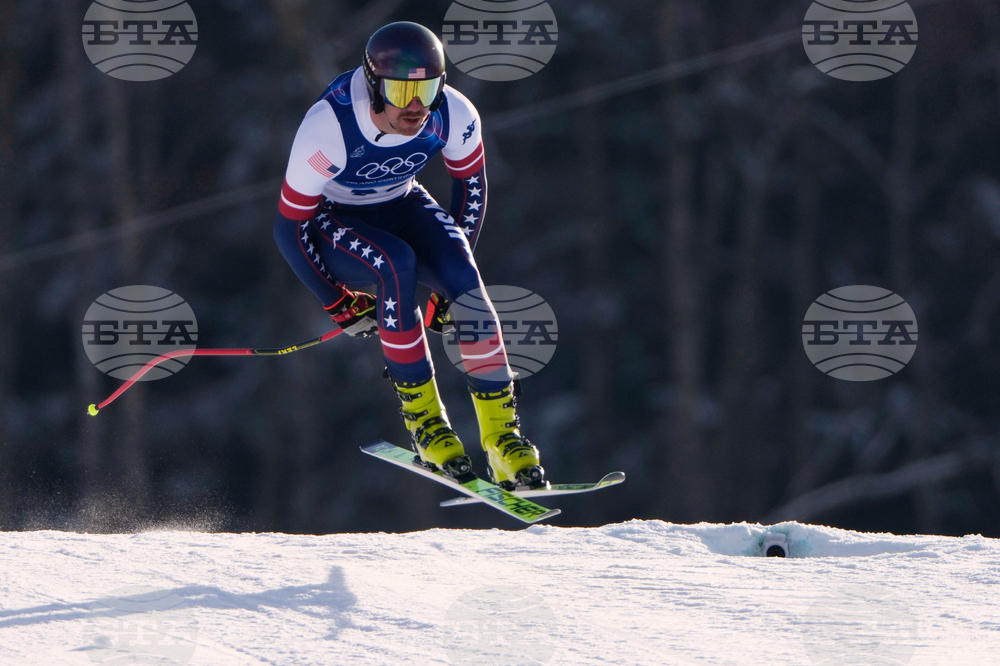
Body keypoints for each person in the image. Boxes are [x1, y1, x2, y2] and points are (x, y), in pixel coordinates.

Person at [273, 21, 545, 489]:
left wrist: (449, 291)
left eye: (429, 88)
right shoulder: (329, 128)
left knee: (466, 281)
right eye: (401, 91)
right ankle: (427, 425)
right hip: (335, 220)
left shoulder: (454, 113)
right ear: (375, 86)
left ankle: (503, 439)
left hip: (403, 202)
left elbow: (472, 190)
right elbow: (288, 226)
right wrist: (334, 299)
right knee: (395, 264)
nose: (416, 106)